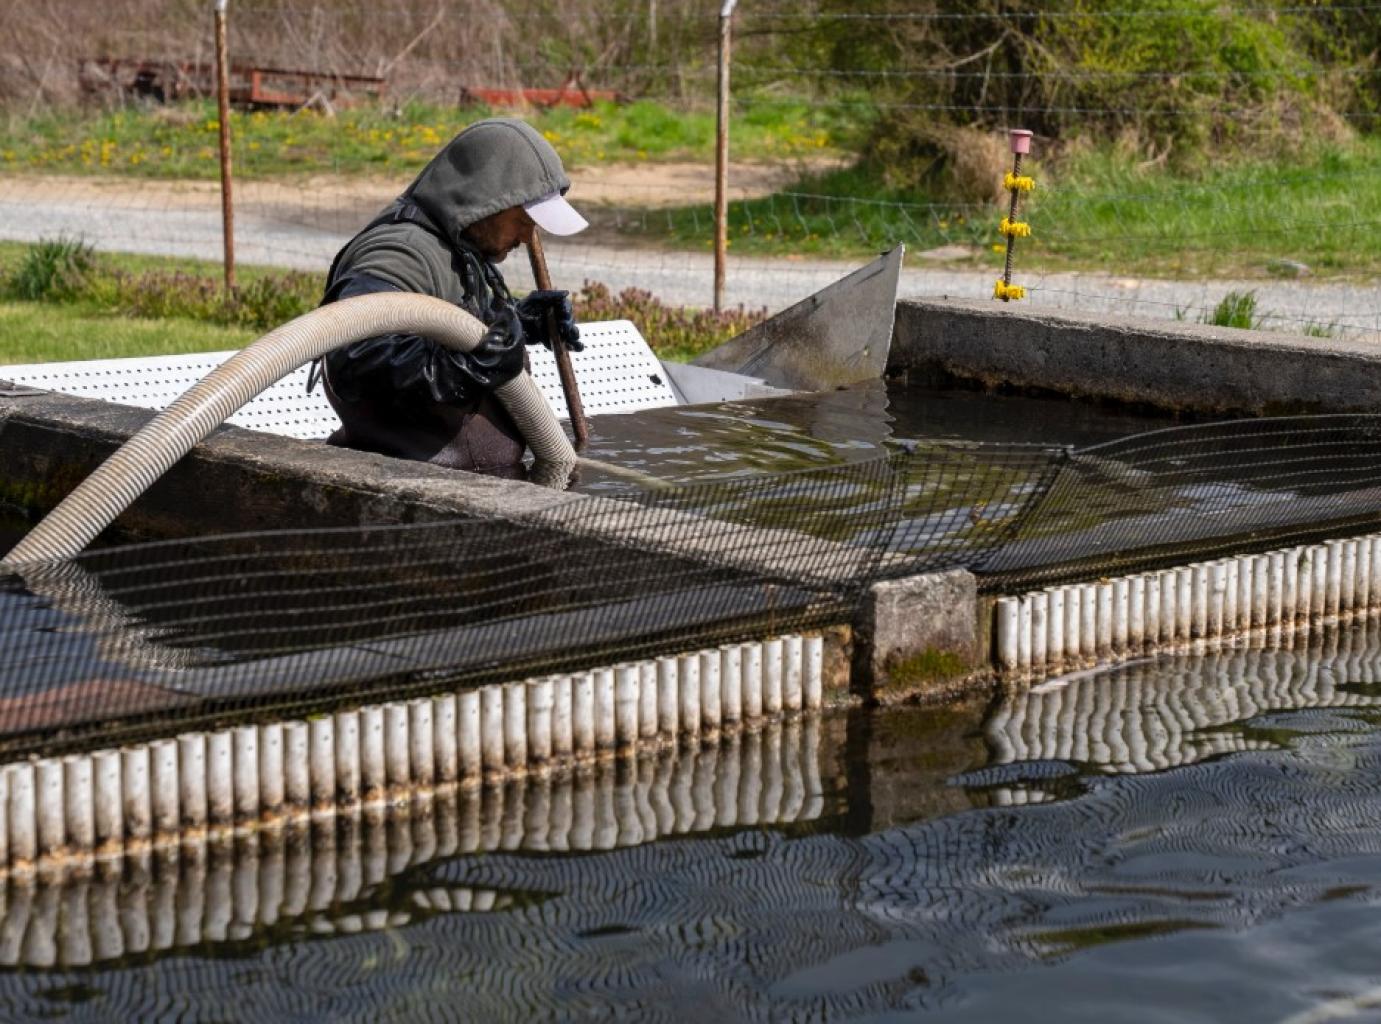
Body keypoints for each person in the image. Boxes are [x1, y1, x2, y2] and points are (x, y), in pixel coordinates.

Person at [309, 116, 588, 474]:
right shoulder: (401, 252)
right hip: (408, 489)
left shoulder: (458, 248)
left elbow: (445, 326)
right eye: (523, 220)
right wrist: (461, 368)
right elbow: (355, 357)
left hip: (471, 482)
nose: (526, 237)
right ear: (485, 201)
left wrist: (519, 321)